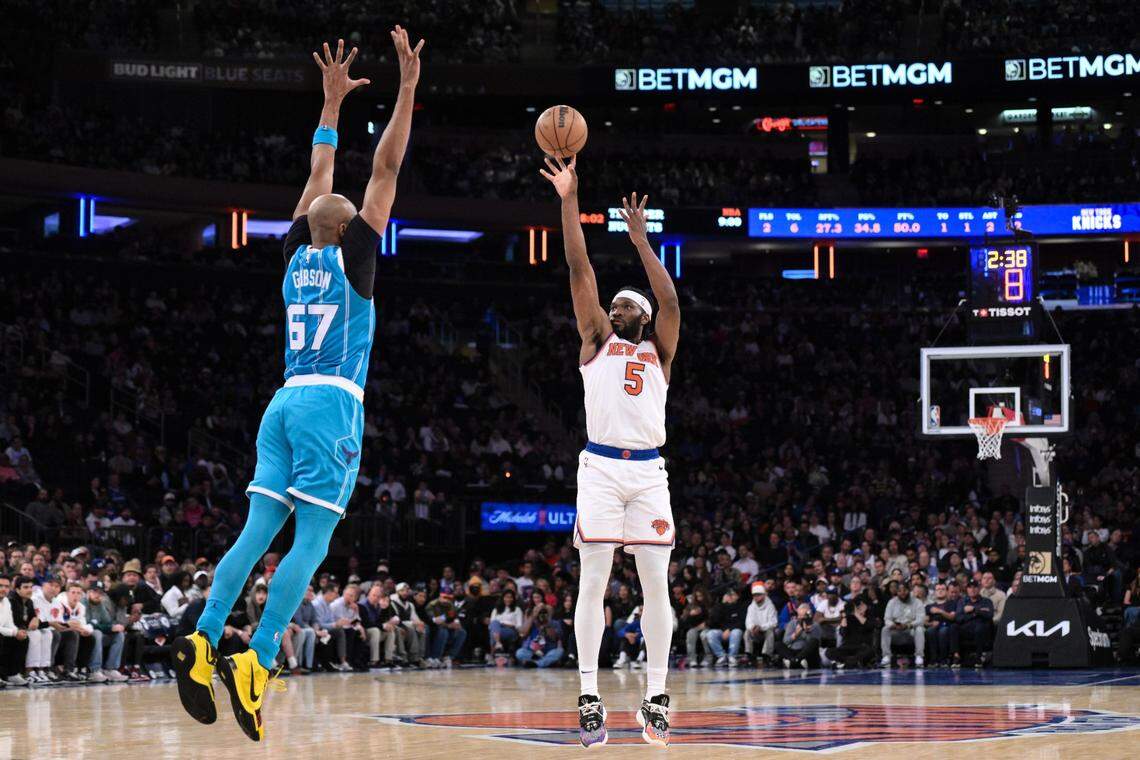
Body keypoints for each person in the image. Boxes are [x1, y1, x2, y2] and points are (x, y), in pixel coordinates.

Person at [172, 28, 424, 742]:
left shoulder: (291, 254)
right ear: (352, 232)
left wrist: (330, 107)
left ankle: (203, 634)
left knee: (257, 529)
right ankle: (254, 658)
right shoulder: (358, 257)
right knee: (310, 543)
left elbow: (320, 176)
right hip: (331, 404)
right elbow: (388, 166)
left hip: (281, 401)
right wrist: (406, 88)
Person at [542, 157, 681, 747]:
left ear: (642, 319)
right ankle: (590, 695)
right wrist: (569, 199)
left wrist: (641, 242)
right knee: (593, 579)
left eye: (625, 307)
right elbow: (578, 269)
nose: (614, 311)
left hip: (649, 472)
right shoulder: (596, 341)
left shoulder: (660, 351)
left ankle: (655, 694)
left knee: (656, 582)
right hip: (599, 468)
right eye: (614, 306)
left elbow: (671, 304)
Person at [881, 584, 926, 667]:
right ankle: (886, 656)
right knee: (885, 629)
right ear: (897, 592)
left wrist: (909, 625)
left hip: (911, 631)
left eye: (904, 590)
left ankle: (919, 656)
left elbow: (921, 619)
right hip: (896, 631)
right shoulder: (892, 602)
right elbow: (886, 619)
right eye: (899, 591)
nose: (902, 593)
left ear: (909, 590)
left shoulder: (917, 602)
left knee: (919, 629)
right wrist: (893, 625)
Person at [824, 597, 876, 669]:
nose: (859, 607)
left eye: (861, 605)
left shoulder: (870, 617)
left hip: (862, 647)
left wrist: (857, 613)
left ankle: (846, 663)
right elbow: (842, 633)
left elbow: (869, 626)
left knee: (870, 651)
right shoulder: (849, 618)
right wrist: (843, 624)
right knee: (829, 651)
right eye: (858, 606)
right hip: (847, 647)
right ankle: (851, 662)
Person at [703, 587, 748, 667]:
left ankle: (732, 657)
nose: (730, 597)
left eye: (733, 595)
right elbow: (715, 622)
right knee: (710, 634)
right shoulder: (721, 606)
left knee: (736, 632)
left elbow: (742, 622)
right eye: (729, 595)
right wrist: (721, 604)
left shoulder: (741, 606)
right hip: (722, 631)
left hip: (735, 631)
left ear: (738, 596)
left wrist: (729, 630)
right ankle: (721, 656)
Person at [774, 603, 822, 669]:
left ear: (809, 616)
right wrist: (795, 635)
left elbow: (815, 644)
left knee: (814, 641)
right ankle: (794, 660)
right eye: (799, 616)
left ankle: (794, 661)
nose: (801, 619)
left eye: (804, 617)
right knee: (777, 644)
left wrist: (806, 632)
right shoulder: (792, 624)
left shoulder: (815, 626)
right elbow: (785, 641)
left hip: (806, 653)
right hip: (793, 651)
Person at [744, 582, 778, 666]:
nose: (756, 597)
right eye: (754, 595)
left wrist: (761, 627)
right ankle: (749, 656)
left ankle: (767, 656)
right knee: (746, 633)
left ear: (763, 595)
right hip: (755, 632)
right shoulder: (751, 607)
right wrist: (752, 627)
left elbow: (774, 622)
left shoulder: (770, 606)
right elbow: (748, 621)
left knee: (769, 632)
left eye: (758, 595)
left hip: (765, 631)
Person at [489, 589, 523, 658]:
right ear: (503, 598)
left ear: (513, 599)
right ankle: (498, 643)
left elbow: (519, 626)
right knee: (494, 625)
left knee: (494, 631)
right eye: (506, 597)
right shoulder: (496, 609)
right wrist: (498, 626)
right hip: (498, 630)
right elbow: (491, 625)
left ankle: (492, 655)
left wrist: (505, 624)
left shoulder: (517, 609)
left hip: (511, 631)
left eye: (510, 597)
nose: (508, 599)